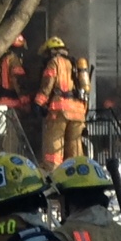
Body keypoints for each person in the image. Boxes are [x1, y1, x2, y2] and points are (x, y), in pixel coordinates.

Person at [35, 37, 86, 167]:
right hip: (78, 112)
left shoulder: (54, 62)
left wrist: (39, 103)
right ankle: (76, 173)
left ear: (50, 51)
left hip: (59, 111)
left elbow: (47, 84)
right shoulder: (74, 63)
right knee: (74, 150)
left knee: (54, 148)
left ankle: (53, 173)